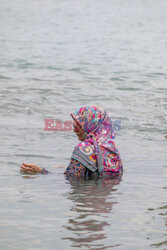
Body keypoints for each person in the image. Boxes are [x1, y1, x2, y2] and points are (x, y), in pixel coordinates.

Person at [20, 106, 123, 178]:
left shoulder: (84, 148)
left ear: (90, 125)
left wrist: (41, 171)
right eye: (74, 126)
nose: (74, 130)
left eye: (79, 126)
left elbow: (71, 179)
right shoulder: (111, 147)